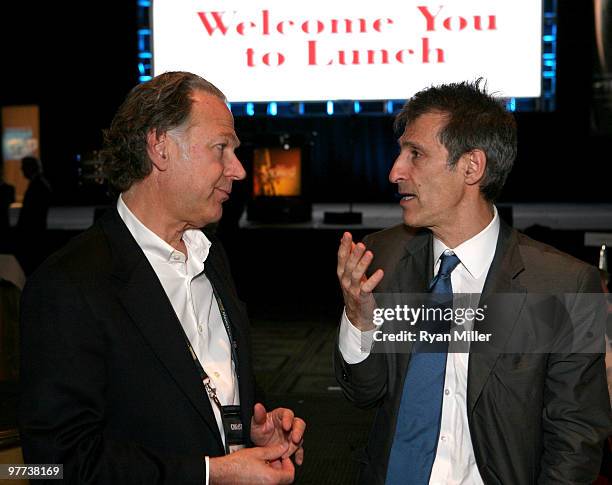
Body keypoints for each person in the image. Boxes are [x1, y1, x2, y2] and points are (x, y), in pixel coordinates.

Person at [19, 71, 305, 484]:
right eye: (221, 148)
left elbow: (196, 390)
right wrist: (211, 474)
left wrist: (249, 429)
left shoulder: (214, 257)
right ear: (160, 147)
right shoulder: (69, 285)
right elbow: (54, 464)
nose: (239, 170)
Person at [335, 79, 612, 484]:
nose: (395, 171)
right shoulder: (384, 258)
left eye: (415, 154)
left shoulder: (561, 284)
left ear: (472, 166)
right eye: (400, 153)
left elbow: (576, 437)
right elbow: (364, 393)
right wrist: (359, 320)